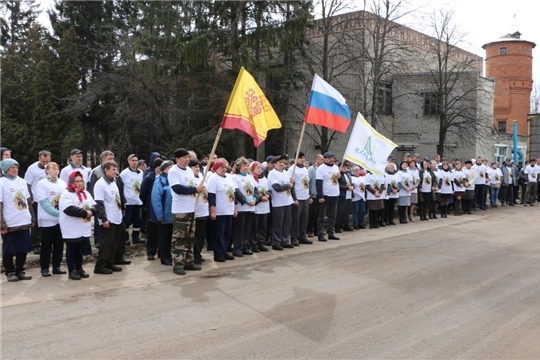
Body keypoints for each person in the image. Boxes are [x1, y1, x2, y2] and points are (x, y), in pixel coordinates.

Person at [168, 148, 205, 275]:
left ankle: (189, 261)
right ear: (177, 159)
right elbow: (177, 188)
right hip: (180, 210)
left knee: (190, 236)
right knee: (180, 237)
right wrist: (195, 189)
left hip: (191, 208)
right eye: (184, 157)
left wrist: (198, 188)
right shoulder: (173, 171)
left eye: (188, 157)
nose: (187, 159)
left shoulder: (189, 170)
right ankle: (178, 263)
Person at [1, 159, 35, 282]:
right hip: (10, 222)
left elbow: (27, 200)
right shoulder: (2, 183)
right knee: (9, 249)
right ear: (5, 169)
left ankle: (20, 270)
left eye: (16, 167)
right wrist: (2, 224)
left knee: (23, 247)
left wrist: (32, 216)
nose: (15, 170)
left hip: (23, 220)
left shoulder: (22, 182)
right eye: (12, 168)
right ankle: (10, 271)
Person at [58, 171, 96, 280]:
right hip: (71, 227)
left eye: (81, 181)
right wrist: (85, 213)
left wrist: (92, 211)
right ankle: (72, 270)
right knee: (72, 249)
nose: (79, 183)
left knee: (80, 249)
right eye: (77, 181)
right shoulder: (66, 194)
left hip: (83, 226)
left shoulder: (86, 193)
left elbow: (94, 205)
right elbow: (69, 209)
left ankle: (79, 268)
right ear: (71, 181)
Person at [34, 162, 67, 277]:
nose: (56, 170)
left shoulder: (62, 183)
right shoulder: (42, 184)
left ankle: (56, 266)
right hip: (47, 219)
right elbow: (44, 203)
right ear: (46, 171)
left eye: (57, 168)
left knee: (59, 243)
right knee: (47, 245)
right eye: (53, 168)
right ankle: (44, 268)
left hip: (60, 220)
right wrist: (58, 213)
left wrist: (63, 214)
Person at [93, 161, 126, 275]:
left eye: (116, 169)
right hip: (108, 219)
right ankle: (101, 265)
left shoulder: (114, 181)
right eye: (113, 169)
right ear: (106, 170)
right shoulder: (100, 184)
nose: (115, 171)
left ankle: (110, 263)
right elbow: (99, 203)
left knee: (114, 243)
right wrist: (103, 218)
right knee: (106, 244)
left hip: (117, 217)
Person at [207, 159, 236, 262]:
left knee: (227, 232)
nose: (224, 169)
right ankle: (218, 253)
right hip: (219, 210)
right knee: (219, 232)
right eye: (221, 167)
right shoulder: (213, 179)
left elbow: (233, 193)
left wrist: (234, 208)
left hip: (228, 209)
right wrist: (213, 210)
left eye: (225, 167)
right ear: (216, 168)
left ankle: (225, 251)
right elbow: (211, 196)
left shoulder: (229, 177)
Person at [24, 150, 51, 254]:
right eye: (43, 161)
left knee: (46, 221)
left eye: (47, 161)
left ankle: (46, 243)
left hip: (47, 199)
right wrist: (30, 198)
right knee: (36, 222)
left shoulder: (49, 168)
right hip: (36, 200)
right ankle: (35, 244)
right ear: (39, 158)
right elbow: (28, 184)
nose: (45, 164)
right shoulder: (32, 169)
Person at [231, 157, 258, 256]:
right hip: (241, 208)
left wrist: (254, 199)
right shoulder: (234, 177)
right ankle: (238, 248)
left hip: (251, 207)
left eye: (246, 166)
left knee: (247, 228)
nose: (245, 167)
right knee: (239, 229)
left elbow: (256, 190)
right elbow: (236, 192)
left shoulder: (250, 177)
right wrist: (246, 200)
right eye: (243, 166)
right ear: (238, 167)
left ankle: (245, 246)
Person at [268, 154, 295, 250]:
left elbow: (290, 185)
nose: (282, 164)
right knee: (278, 223)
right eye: (279, 162)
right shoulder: (272, 174)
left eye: (283, 162)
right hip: (278, 202)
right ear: (274, 164)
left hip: (287, 200)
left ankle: (285, 240)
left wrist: (292, 182)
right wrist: (289, 185)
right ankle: (276, 242)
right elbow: (277, 188)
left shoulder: (286, 172)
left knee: (287, 223)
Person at [150, 160, 174, 266]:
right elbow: (156, 200)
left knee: (170, 237)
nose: (171, 170)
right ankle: (164, 257)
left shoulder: (173, 179)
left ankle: (169, 256)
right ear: (163, 169)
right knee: (163, 237)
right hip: (164, 216)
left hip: (172, 215)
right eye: (169, 168)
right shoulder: (159, 181)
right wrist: (159, 215)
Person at [140, 157, 163, 260]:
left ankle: (161, 251)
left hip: (162, 208)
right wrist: (147, 205)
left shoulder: (165, 178)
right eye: (159, 166)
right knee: (151, 232)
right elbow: (142, 194)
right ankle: (151, 251)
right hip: (150, 209)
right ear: (155, 167)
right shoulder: (149, 178)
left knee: (162, 232)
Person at [288, 152, 313, 245]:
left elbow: (307, 183)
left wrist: (309, 195)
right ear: (296, 158)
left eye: (303, 157)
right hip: (297, 197)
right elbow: (291, 185)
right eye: (300, 158)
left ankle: (302, 236)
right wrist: (294, 198)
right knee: (295, 219)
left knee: (304, 218)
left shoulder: (305, 170)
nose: (302, 159)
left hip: (305, 197)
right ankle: (294, 237)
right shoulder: (292, 170)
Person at [120, 154, 144, 245]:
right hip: (128, 202)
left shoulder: (141, 173)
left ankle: (136, 237)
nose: (134, 162)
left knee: (137, 220)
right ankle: (125, 237)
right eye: (133, 160)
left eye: (136, 160)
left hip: (138, 201)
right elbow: (121, 187)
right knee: (126, 220)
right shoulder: (124, 173)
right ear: (129, 161)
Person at [316, 152, 340, 241]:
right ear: (325, 159)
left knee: (333, 216)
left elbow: (338, 179)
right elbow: (318, 183)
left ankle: (331, 232)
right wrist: (320, 196)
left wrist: (339, 176)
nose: (331, 160)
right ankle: (321, 234)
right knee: (322, 216)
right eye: (329, 158)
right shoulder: (321, 169)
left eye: (332, 158)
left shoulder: (336, 167)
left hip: (334, 194)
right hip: (325, 195)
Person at [190, 159, 209, 265]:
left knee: (201, 235)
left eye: (198, 166)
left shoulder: (202, 176)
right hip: (195, 211)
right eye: (195, 167)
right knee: (195, 236)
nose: (197, 168)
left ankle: (199, 253)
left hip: (204, 211)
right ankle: (194, 256)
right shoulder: (190, 179)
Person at [250, 161, 270, 252]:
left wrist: (268, 195)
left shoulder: (265, 179)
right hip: (257, 206)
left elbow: (269, 189)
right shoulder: (251, 179)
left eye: (261, 168)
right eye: (258, 168)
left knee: (263, 226)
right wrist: (260, 198)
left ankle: (261, 242)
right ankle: (254, 244)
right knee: (255, 227)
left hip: (265, 206)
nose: (260, 170)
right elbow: (253, 192)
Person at [307, 154, 323, 237]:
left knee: (319, 214)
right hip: (313, 194)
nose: (323, 161)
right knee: (312, 214)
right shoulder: (311, 170)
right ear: (317, 160)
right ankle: (309, 230)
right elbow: (308, 183)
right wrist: (309, 195)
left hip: (320, 194)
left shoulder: (322, 169)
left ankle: (317, 230)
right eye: (321, 159)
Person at [335, 161, 354, 232]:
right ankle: (337, 226)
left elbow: (351, 183)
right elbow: (337, 185)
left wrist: (352, 186)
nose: (344, 168)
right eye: (343, 167)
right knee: (340, 212)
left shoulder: (348, 174)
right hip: (342, 195)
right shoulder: (338, 175)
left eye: (345, 167)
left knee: (346, 212)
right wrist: (347, 188)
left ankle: (346, 225)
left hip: (349, 195)